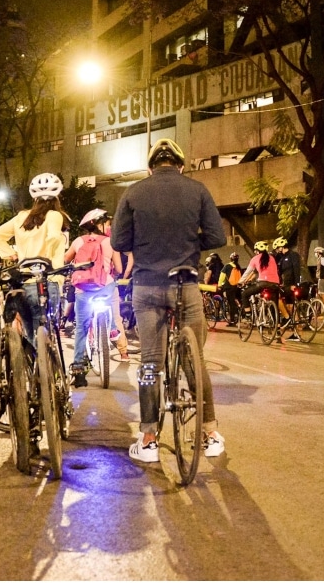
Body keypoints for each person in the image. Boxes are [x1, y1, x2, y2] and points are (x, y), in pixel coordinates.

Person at [111, 138, 226, 464]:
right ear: (180, 164)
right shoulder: (198, 189)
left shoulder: (133, 192)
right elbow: (218, 238)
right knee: (196, 360)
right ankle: (210, 433)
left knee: (149, 363)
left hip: (146, 286)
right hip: (186, 284)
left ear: (150, 167)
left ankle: (148, 438)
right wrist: (189, 239)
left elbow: (119, 240)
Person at [0, 172, 70, 347]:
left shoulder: (21, 217)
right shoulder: (54, 215)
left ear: (34, 198)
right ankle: (48, 369)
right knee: (48, 331)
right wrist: (46, 259)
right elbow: (54, 237)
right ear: (57, 197)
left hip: (24, 283)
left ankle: (34, 369)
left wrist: (10, 254)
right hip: (49, 281)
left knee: (32, 334)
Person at [65, 208, 124, 385]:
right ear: (99, 224)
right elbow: (119, 269)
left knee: (81, 330)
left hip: (83, 290)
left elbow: (65, 260)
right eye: (106, 223)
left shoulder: (78, 242)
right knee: (112, 295)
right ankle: (112, 327)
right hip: (104, 287)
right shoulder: (110, 242)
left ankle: (79, 373)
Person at [239, 241, 288, 325]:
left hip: (263, 283)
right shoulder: (272, 258)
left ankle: (247, 316)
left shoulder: (255, 259)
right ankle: (277, 330)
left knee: (244, 294)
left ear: (256, 251)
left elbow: (247, 272)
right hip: (275, 284)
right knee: (274, 307)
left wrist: (240, 282)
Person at [273, 238, 303, 339]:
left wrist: (296, 283)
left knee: (277, 298)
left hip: (292, 285)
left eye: (277, 248)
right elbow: (279, 273)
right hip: (286, 285)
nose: (277, 251)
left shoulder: (293, 255)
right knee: (291, 307)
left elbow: (297, 269)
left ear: (282, 246)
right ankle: (297, 333)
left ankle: (287, 318)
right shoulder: (281, 258)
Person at [218, 251, 244, 325]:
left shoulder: (227, 266)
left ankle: (232, 320)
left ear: (230, 259)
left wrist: (220, 285)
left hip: (229, 287)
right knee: (237, 300)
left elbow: (222, 276)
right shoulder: (238, 267)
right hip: (237, 287)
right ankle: (241, 315)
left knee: (231, 303)